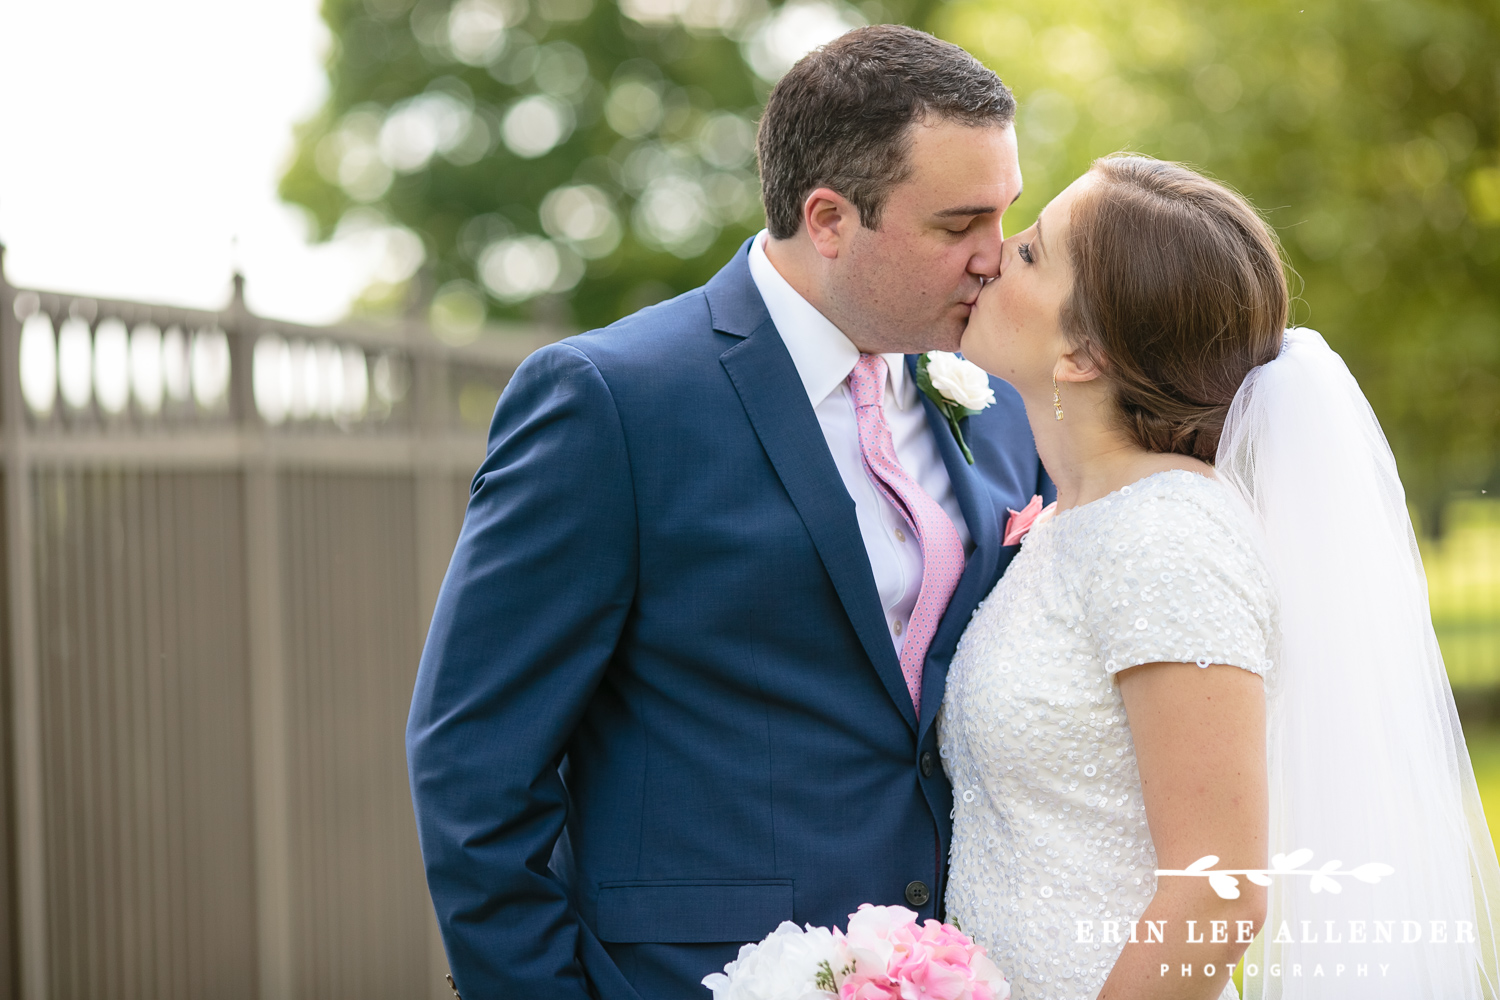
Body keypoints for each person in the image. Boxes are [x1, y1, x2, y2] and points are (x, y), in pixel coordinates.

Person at [406, 25, 1049, 1000]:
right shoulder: (611, 403)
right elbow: (476, 762)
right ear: (829, 217)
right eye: (958, 226)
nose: (993, 260)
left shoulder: (996, 411)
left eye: (1004, 219)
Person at [942, 153, 1500, 999]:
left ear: (1083, 352)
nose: (992, 252)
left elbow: (1219, 888)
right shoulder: (1074, 518)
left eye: (1030, 252)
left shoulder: (1168, 533)